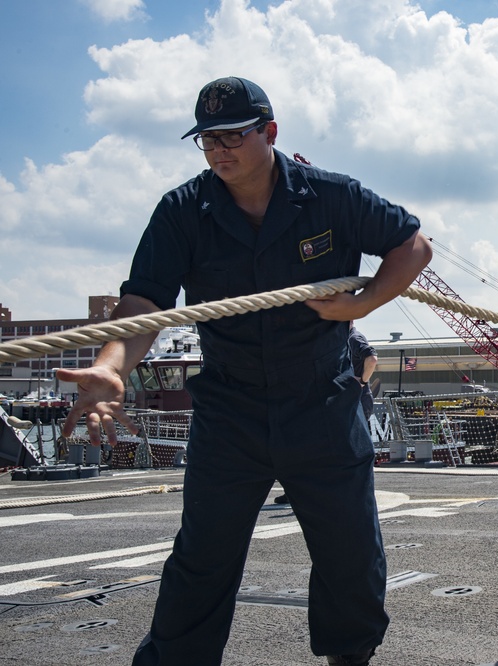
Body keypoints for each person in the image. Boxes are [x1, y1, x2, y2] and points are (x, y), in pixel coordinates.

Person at [57, 76, 432, 666]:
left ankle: (349, 658)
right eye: (207, 139)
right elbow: (144, 302)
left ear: (270, 132)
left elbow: (412, 246)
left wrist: (362, 305)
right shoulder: (183, 210)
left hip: (322, 403)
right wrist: (111, 366)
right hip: (229, 408)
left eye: (233, 135)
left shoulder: (332, 196)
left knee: (350, 553)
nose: (219, 150)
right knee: (203, 556)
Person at [274, 322, 377, 505]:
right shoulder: (342, 340)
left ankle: (350, 493)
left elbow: (372, 359)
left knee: (346, 447)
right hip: (347, 400)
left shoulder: (353, 338)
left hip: (355, 400)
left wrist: (360, 382)